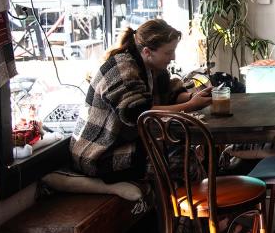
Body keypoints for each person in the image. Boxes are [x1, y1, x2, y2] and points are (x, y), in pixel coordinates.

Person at [70, 19, 212, 182]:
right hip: (98, 153)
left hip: (124, 143)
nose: (173, 57)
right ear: (147, 52)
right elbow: (139, 113)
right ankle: (192, 205)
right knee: (180, 161)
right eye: (168, 52)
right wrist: (191, 106)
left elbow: (169, 94)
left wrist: (192, 97)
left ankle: (193, 203)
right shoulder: (122, 70)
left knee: (185, 152)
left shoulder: (153, 68)